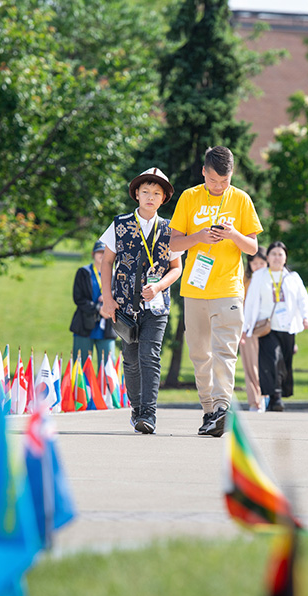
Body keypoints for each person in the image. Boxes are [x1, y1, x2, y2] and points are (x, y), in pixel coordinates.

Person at [167, 146, 261, 437]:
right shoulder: (190, 197)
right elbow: (174, 244)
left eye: (225, 180)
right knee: (200, 354)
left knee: (225, 352)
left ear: (232, 174)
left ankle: (222, 408)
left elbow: (253, 248)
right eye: (214, 180)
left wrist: (233, 235)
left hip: (229, 289)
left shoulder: (241, 199)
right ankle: (208, 411)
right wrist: (199, 237)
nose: (219, 186)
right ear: (204, 172)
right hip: (195, 290)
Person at [98, 168, 183, 434]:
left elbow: (176, 268)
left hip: (157, 306)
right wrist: (108, 299)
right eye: (145, 191)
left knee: (150, 355)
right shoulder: (120, 224)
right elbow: (106, 262)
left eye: (156, 193)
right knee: (131, 359)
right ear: (136, 194)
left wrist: (158, 286)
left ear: (163, 199)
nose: (150, 196)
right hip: (124, 306)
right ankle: (136, 408)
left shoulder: (171, 229)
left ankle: (149, 414)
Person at [242, 242, 308, 412]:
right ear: (268, 257)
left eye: (280, 254)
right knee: (271, 361)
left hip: (287, 327)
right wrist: (246, 326)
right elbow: (250, 302)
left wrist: (306, 317)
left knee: (284, 363)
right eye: (273, 254)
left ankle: (277, 395)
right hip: (267, 327)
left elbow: (303, 298)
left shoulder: (292, 277)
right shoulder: (260, 276)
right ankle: (276, 396)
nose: (276, 257)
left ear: (285, 257)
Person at [70, 241, 116, 367]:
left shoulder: (115, 274)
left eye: (105, 252)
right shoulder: (84, 273)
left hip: (107, 326)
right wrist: (98, 309)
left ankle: (107, 388)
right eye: (99, 252)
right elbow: (78, 298)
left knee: (109, 366)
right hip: (84, 325)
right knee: (81, 366)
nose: (102, 255)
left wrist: (110, 297)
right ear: (93, 254)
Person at [240, 247, 268, 411]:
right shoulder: (244, 279)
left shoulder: (272, 280)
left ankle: (265, 396)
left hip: (266, 326)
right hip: (247, 327)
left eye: (261, 263)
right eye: (254, 263)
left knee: (265, 365)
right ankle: (254, 401)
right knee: (250, 365)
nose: (257, 266)